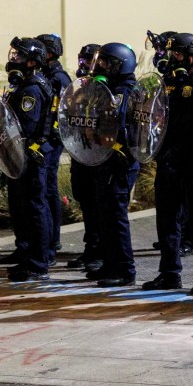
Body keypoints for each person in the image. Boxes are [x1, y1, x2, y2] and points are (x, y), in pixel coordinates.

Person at [142, 33, 193, 296]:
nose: (171, 59)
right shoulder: (166, 84)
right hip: (169, 163)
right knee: (166, 221)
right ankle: (169, 273)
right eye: (170, 54)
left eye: (176, 54)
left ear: (192, 57)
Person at [83, 43, 141, 287]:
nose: (100, 66)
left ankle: (125, 269)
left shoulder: (125, 91)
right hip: (104, 159)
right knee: (104, 214)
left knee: (116, 216)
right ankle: (109, 263)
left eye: (105, 62)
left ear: (120, 65)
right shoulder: (107, 88)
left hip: (120, 161)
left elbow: (123, 126)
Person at [0, 37, 53, 282]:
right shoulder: (24, 84)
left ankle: (37, 264)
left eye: (20, 56)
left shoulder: (31, 89)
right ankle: (29, 258)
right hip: (24, 158)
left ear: (33, 61)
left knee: (34, 209)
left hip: (31, 157)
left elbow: (26, 128)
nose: (15, 59)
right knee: (27, 209)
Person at [146, 29, 192, 257]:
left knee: (185, 199)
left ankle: (187, 239)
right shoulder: (167, 80)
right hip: (167, 150)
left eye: (165, 51)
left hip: (185, 152)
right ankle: (171, 238)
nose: (163, 56)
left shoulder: (192, 81)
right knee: (169, 202)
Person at [66, 44, 103, 271]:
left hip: (97, 155)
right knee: (86, 203)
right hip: (80, 152)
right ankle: (90, 250)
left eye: (88, 61)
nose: (84, 65)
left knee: (98, 206)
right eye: (82, 60)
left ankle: (100, 252)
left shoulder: (103, 89)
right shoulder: (79, 87)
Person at [36, 33, 71, 265]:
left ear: (48, 53)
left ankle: (52, 240)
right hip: (44, 139)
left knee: (48, 189)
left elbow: (65, 109)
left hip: (51, 140)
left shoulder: (59, 77)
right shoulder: (44, 74)